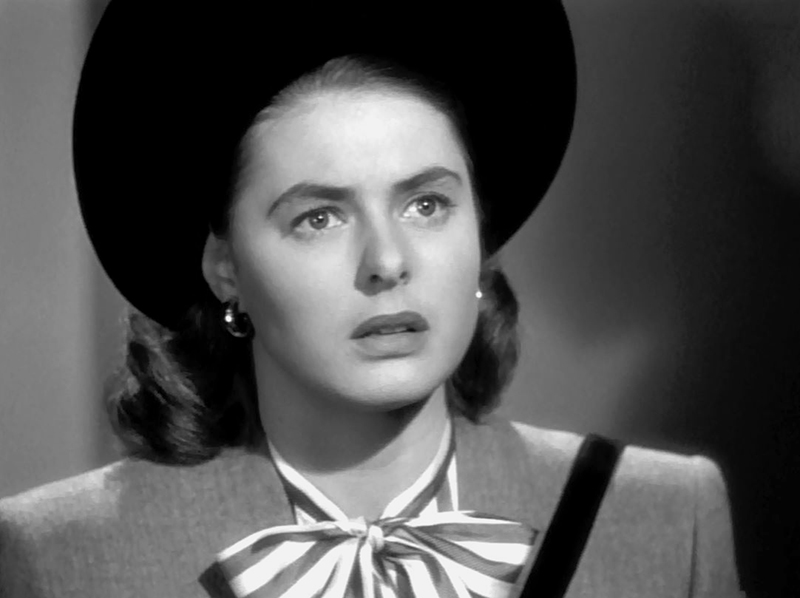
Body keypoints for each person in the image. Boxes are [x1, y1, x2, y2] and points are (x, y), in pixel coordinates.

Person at [0, 2, 742, 597]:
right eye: (320, 218)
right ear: (226, 269)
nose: (387, 262)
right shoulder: (65, 558)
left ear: (480, 234)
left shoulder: (663, 520)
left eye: (426, 204)